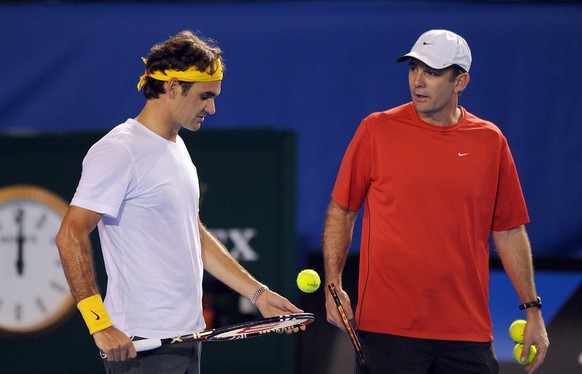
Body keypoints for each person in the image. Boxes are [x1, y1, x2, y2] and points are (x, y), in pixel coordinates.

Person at [56, 30, 303, 374]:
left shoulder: (177, 146)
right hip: (142, 344)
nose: (212, 108)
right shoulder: (119, 150)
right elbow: (70, 233)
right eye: (205, 96)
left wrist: (258, 294)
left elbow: (192, 233)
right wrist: (98, 323)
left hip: (186, 338)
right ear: (172, 87)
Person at [323, 29, 549, 374]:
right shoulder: (376, 130)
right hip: (388, 331)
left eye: (432, 72)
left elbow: (508, 230)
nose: (418, 81)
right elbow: (343, 209)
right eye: (414, 69)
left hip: (466, 332)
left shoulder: (490, 141)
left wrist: (532, 309)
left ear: (461, 82)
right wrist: (333, 283)